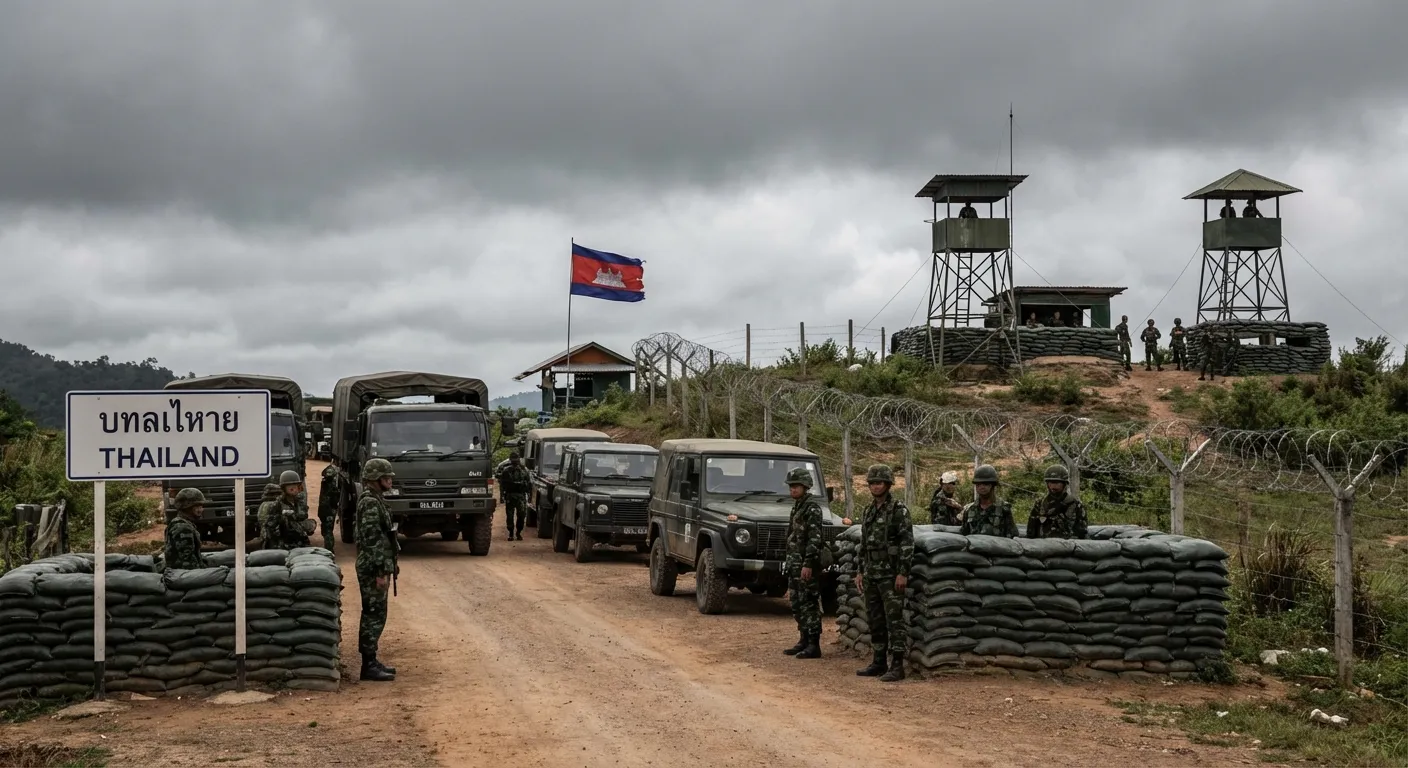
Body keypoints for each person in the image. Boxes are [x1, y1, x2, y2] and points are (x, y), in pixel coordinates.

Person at [854, 464, 913, 682]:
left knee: (894, 620)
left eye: (879, 482)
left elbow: (907, 543)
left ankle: (897, 665)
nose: (875, 486)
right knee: (875, 619)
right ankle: (879, 662)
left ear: (888, 484)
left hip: (890, 574)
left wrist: (902, 573)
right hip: (871, 572)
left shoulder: (898, 510)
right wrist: (860, 571)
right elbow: (863, 544)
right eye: (871, 483)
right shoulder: (868, 510)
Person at [356, 457, 398, 682]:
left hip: (376, 565)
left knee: (377, 614)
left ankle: (372, 661)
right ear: (374, 479)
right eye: (385, 477)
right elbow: (372, 539)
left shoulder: (375, 499)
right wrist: (380, 571)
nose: (390, 480)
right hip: (373, 567)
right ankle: (368, 665)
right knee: (373, 615)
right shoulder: (370, 502)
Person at [782, 467, 824, 659]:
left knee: (809, 604)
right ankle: (803, 639)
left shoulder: (812, 508)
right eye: (791, 486)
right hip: (794, 564)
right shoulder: (798, 506)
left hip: (806, 565)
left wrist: (808, 564)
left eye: (796, 486)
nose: (793, 490)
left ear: (806, 486)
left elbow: (814, 539)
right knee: (797, 604)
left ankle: (814, 644)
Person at [1026, 465, 1088, 539]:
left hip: (1067, 546)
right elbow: (1031, 531)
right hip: (1042, 546)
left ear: (1064, 484)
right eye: (1050, 483)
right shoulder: (1040, 504)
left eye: (1057, 483)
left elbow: (1082, 533)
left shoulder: (1075, 504)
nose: (1053, 486)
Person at [259, 471, 315, 550]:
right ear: (284, 489)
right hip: (282, 545)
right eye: (291, 488)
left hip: (299, 543)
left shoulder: (299, 503)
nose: (294, 490)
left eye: (296, 487)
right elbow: (270, 528)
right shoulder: (277, 505)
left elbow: (302, 519)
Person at [959, 464, 1018, 537]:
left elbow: (1012, 536)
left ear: (992, 485)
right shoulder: (969, 510)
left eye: (985, 483)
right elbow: (964, 535)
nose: (982, 487)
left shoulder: (1004, 509)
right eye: (978, 484)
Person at [164, 488, 207, 571]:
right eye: (198, 506)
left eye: (201, 506)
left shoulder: (184, 523)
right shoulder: (183, 527)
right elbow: (187, 561)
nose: (201, 510)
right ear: (188, 507)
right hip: (183, 574)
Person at [496, 452, 532, 541]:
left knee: (521, 515)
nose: (515, 460)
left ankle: (518, 532)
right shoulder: (506, 470)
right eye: (513, 458)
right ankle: (511, 533)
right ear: (510, 459)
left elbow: (529, 483)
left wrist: (529, 495)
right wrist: (501, 496)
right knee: (510, 516)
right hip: (510, 495)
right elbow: (502, 484)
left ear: (519, 459)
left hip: (521, 496)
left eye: (516, 458)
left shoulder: (524, 470)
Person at [318, 462, 341, 551]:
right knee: (327, 530)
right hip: (327, 510)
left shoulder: (329, 485)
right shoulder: (329, 485)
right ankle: (329, 548)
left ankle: (329, 549)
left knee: (327, 531)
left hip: (328, 511)